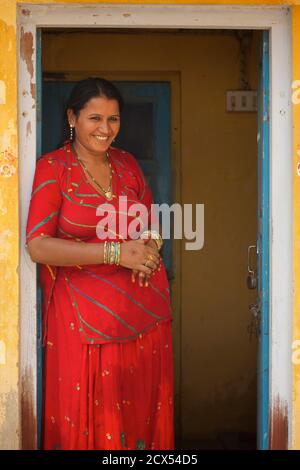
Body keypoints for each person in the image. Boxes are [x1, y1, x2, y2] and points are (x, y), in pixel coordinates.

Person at [26, 77, 174, 450]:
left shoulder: (127, 165)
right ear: (72, 118)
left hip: (144, 313)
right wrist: (116, 253)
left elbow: (153, 224)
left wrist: (150, 247)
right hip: (84, 320)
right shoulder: (54, 168)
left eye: (113, 119)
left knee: (138, 423)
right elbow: (38, 246)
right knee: (92, 425)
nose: (105, 130)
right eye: (95, 118)